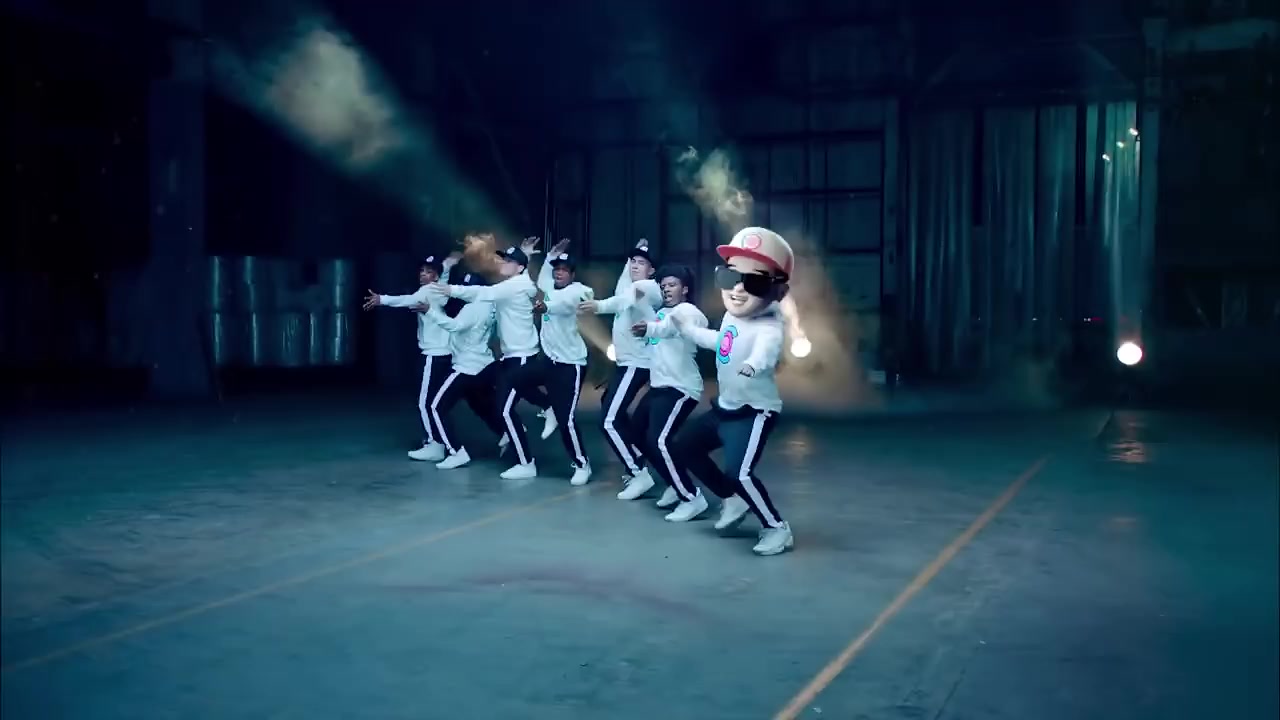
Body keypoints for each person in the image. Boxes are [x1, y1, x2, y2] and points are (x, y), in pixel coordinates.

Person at [667, 226, 795, 556]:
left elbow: (767, 351)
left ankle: (776, 528)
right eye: (729, 277)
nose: (738, 289)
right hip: (725, 408)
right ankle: (732, 498)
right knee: (685, 446)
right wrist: (689, 331)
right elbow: (721, 343)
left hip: (754, 412)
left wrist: (754, 364)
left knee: (740, 473)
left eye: (754, 283)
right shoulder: (731, 318)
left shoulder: (769, 326)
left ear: (777, 290)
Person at [428, 237, 553, 480]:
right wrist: (524, 255)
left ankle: (527, 460)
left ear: (519, 267)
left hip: (521, 356)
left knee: (504, 409)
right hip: (510, 356)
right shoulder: (516, 284)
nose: (502, 263)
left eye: (509, 261)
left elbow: (484, 293)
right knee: (492, 391)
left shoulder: (513, 286)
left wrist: (451, 289)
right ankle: (542, 411)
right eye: (504, 259)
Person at [577, 239, 662, 490]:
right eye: (633, 261)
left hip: (638, 364)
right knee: (612, 409)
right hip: (626, 364)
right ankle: (637, 456)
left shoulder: (648, 288)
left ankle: (638, 472)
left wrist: (598, 306)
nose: (635, 265)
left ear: (652, 270)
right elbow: (623, 288)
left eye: (642, 263)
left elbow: (624, 299)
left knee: (609, 420)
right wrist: (633, 254)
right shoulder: (630, 285)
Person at [628, 264, 710, 521]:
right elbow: (655, 334)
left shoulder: (689, 312)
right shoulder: (661, 313)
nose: (666, 289)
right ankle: (676, 484)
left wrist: (651, 328)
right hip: (659, 386)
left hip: (680, 388)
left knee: (659, 440)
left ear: (685, 289)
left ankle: (692, 497)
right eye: (663, 286)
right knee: (636, 434)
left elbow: (672, 327)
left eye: (672, 285)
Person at [362, 252, 460, 461]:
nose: (423, 274)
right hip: (444, 354)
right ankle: (437, 441)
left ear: (435, 276)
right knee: (434, 402)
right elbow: (441, 279)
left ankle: (434, 444)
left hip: (433, 356)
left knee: (425, 403)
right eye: (422, 271)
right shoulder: (439, 289)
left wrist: (381, 299)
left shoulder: (426, 291)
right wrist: (447, 266)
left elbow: (407, 300)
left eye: (428, 272)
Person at [519, 239, 594, 485]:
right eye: (557, 270)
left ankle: (582, 464)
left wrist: (546, 307)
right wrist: (550, 256)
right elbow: (543, 280)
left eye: (564, 270)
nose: (559, 273)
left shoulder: (577, 290)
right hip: (550, 362)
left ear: (572, 274)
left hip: (571, 365)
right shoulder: (551, 287)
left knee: (566, 420)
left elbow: (567, 303)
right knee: (514, 378)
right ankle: (547, 407)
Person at [417, 271, 508, 469]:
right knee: (480, 404)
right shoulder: (492, 307)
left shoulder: (472, 308)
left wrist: (430, 311)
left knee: (435, 406)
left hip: (466, 366)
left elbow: (454, 326)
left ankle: (456, 452)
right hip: (483, 364)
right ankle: (507, 431)